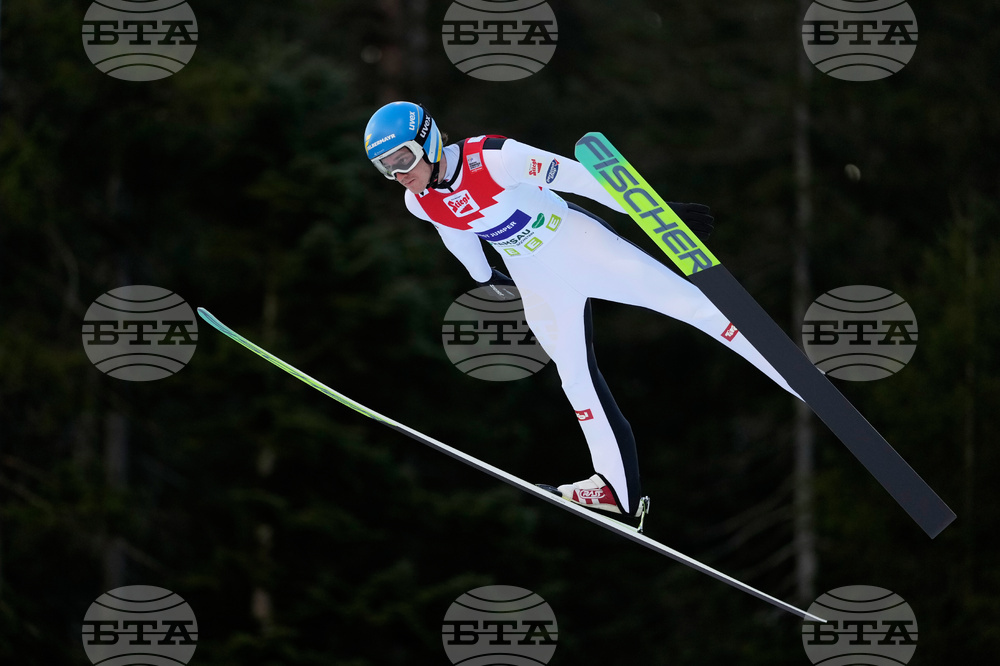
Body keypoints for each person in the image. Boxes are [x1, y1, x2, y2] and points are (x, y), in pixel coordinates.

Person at [364, 101, 799, 520]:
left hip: (579, 246)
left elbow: (580, 178)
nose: (398, 174)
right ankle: (615, 488)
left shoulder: (494, 158)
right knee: (573, 374)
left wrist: (656, 212)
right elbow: (455, 233)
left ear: (429, 141)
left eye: (402, 158)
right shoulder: (418, 201)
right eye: (385, 167)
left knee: (692, 306)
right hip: (536, 278)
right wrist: (484, 278)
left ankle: (794, 376)